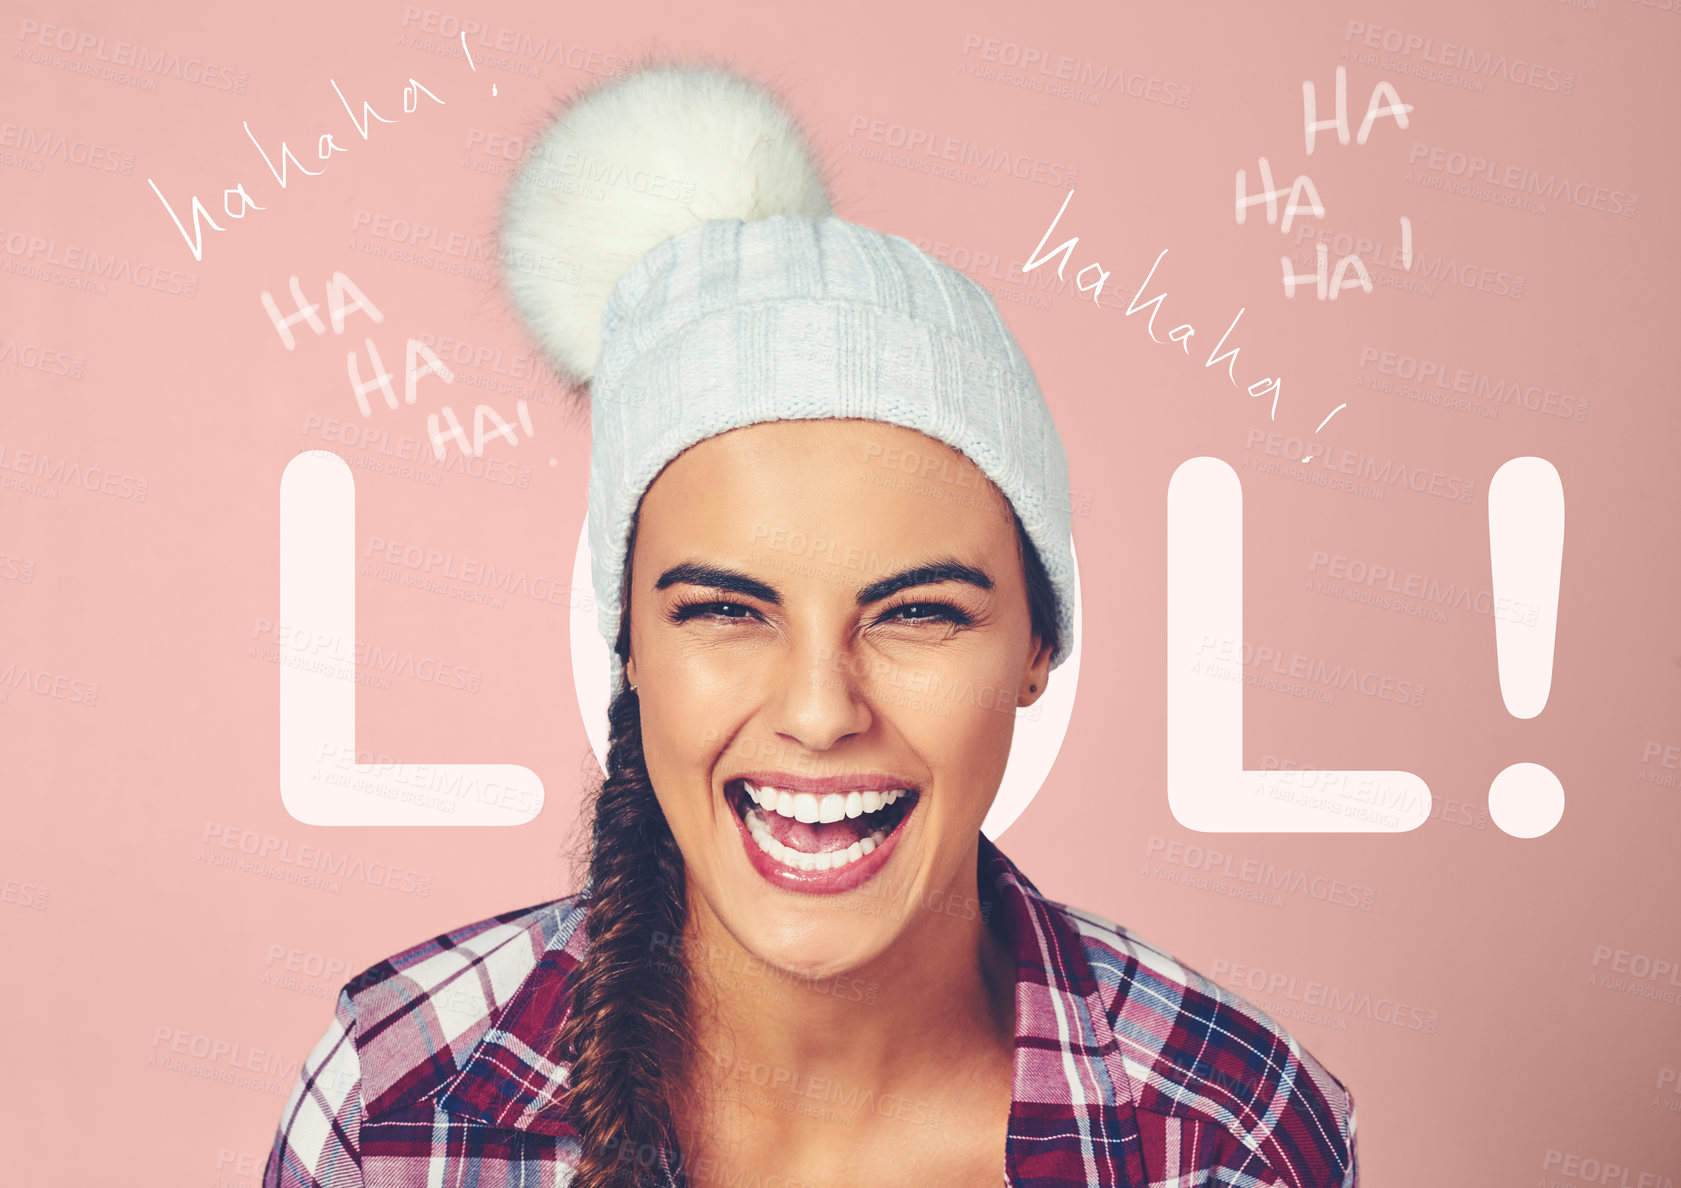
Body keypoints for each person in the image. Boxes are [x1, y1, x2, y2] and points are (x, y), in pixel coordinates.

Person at [262, 59, 1358, 1188]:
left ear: (1037, 644)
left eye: (919, 611)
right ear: (630, 642)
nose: (821, 710)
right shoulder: (395, 1101)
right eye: (727, 610)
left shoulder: (1226, 1134)